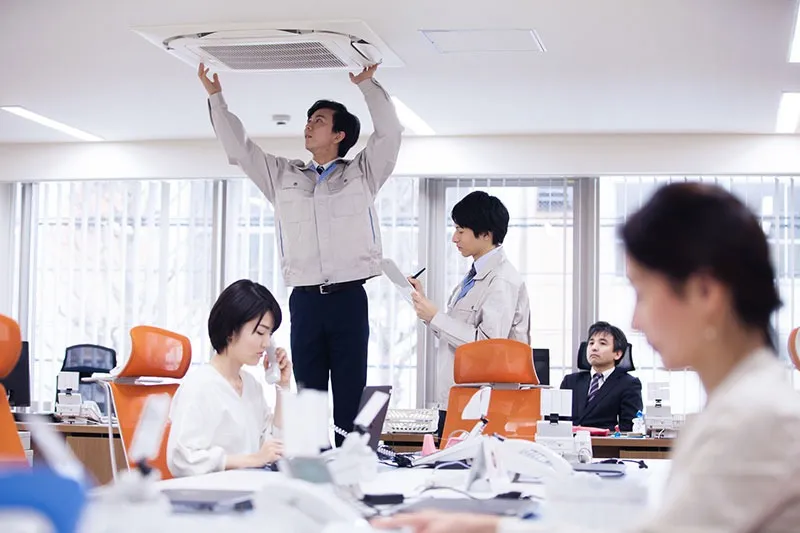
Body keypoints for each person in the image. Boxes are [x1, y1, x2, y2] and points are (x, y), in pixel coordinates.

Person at [374, 182, 800, 532]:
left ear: (705, 293)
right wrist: (493, 526)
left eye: (644, 292)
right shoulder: (744, 407)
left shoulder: (755, 421)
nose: (635, 320)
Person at [198, 62, 403, 446]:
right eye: (309, 119)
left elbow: (390, 133)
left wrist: (367, 84)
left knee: (350, 396)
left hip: (349, 299)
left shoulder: (362, 173)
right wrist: (215, 97)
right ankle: (312, 469)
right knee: (308, 399)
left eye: (319, 121)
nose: (309, 125)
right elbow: (240, 150)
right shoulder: (283, 176)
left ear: (339, 135)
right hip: (306, 302)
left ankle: (352, 466)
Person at [408, 191, 531, 415]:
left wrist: (435, 316)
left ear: (485, 234)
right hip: (459, 398)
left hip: (483, 405)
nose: (454, 238)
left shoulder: (502, 280)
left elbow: (488, 346)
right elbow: (456, 334)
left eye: (460, 230)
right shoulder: (475, 275)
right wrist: (425, 307)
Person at [167, 279, 292, 477]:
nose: (267, 343)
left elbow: (274, 447)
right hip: (214, 492)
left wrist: (282, 387)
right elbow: (181, 459)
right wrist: (252, 460)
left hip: (250, 486)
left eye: (270, 334)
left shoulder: (251, 386)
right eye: (260, 332)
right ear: (231, 331)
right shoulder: (199, 386)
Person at [560, 321, 642, 431]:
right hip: (569, 440)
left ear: (617, 354)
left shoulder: (629, 384)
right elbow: (556, 420)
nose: (594, 348)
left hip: (605, 440)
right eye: (591, 343)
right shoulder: (570, 381)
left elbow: (629, 426)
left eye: (602, 343)